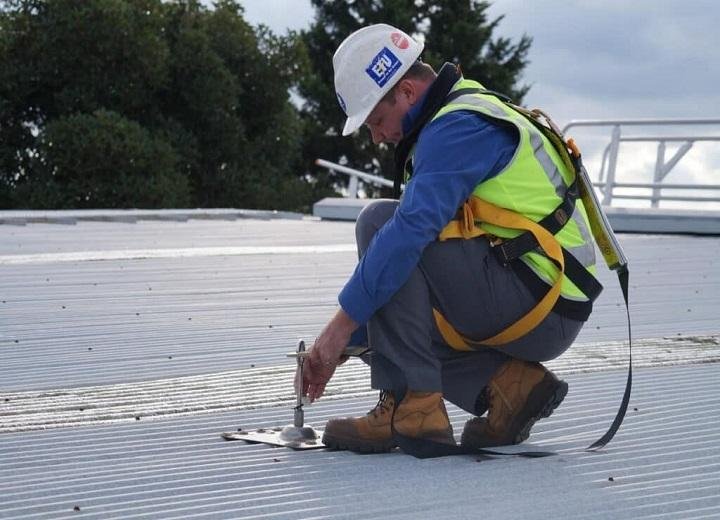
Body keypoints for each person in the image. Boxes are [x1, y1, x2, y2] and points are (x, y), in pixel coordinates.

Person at [301, 23, 600, 454]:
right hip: (543, 292)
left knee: (380, 225)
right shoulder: (468, 107)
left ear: (405, 91)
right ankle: (512, 391)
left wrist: (337, 329)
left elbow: (407, 235)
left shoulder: (457, 128)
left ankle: (413, 406)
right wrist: (340, 344)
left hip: (539, 298)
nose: (378, 136)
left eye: (377, 120)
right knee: (377, 313)